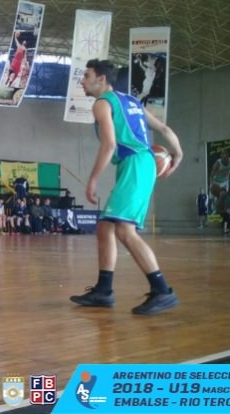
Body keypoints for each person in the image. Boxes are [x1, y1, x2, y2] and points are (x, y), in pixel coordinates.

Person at [70, 59, 183, 316]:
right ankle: (103, 290)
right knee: (105, 226)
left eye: (86, 76)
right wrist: (178, 154)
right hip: (141, 163)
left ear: (101, 79)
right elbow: (164, 128)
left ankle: (162, 290)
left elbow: (109, 144)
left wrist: (92, 180)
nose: (82, 81)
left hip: (135, 164)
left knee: (124, 230)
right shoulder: (132, 101)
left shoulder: (102, 103)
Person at [209, 150, 230, 215]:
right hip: (216, 182)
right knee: (214, 197)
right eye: (222, 157)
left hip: (225, 182)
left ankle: (220, 210)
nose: (223, 158)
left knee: (223, 196)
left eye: (225, 157)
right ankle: (213, 206)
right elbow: (211, 175)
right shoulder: (217, 163)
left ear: (227, 156)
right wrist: (212, 183)